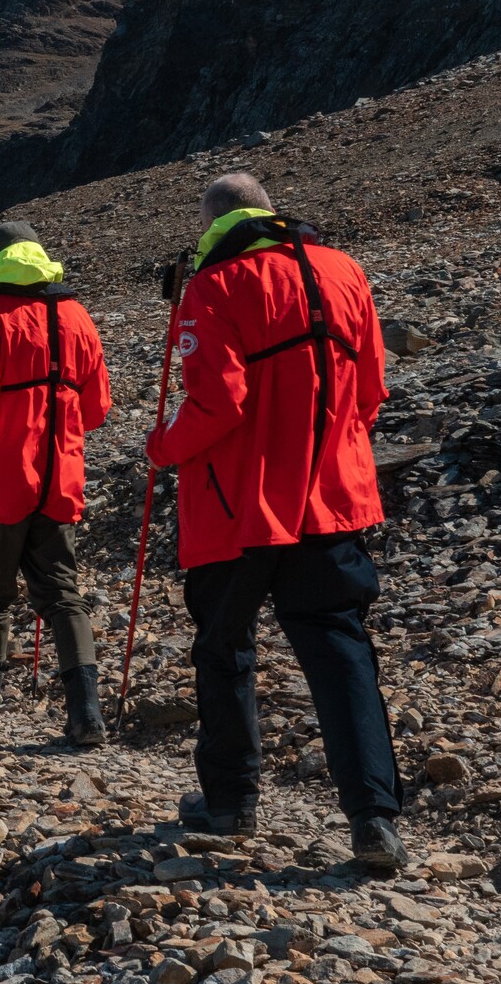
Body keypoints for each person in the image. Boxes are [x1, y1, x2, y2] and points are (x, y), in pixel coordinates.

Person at [146, 173, 407, 868]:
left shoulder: (213, 287)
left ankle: (231, 804)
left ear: (213, 225)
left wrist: (162, 448)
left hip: (239, 509)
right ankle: (374, 817)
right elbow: (371, 390)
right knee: (342, 652)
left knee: (225, 650)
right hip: (329, 502)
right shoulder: (345, 271)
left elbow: (218, 404)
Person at [0, 221, 112, 744]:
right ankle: (87, 715)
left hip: (2, 481)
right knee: (62, 594)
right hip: (60, 476)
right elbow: (98, 407)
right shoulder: (77, 315)